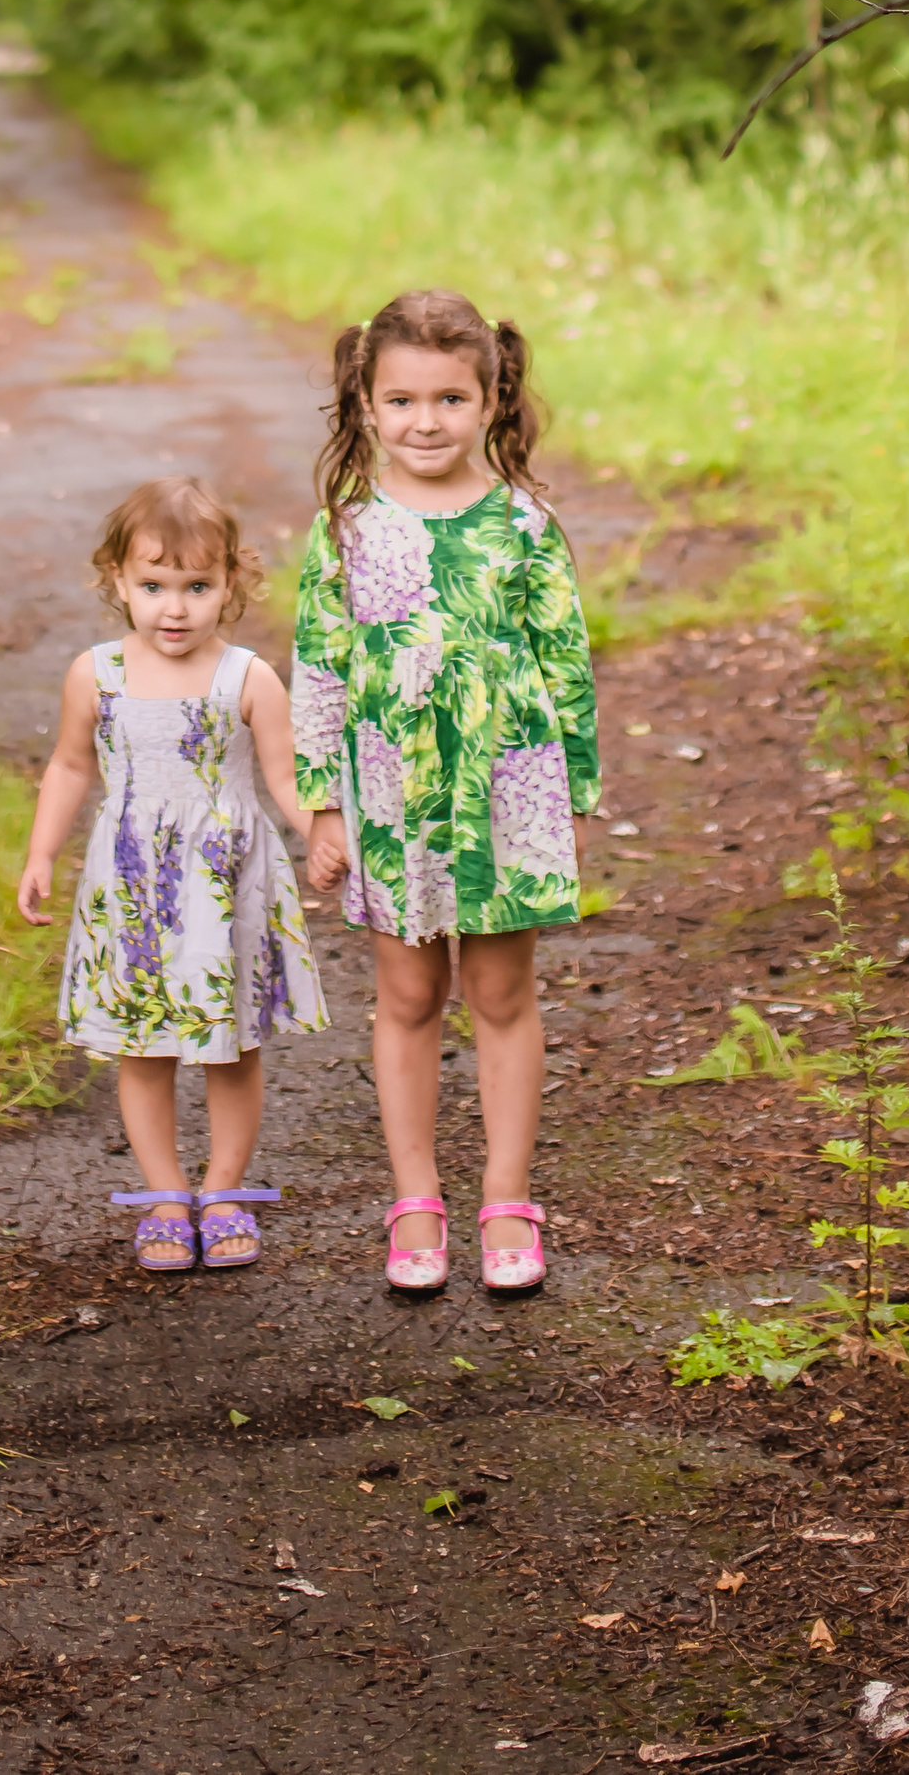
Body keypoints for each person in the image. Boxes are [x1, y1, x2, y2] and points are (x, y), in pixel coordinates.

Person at [291, 288, 598, 1297]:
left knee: (502, 993)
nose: (427, 420)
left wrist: (573, 796)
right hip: (389, 793)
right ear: (366, 405)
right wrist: (322, 803)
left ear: (491, 398)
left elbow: (565, 657)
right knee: (409, 992)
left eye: (451, 397)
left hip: (506, 787)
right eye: (403, 397)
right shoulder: (344, 528)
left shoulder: (523, 523)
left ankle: (506, 1193)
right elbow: (320, 668)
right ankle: (414, 1193)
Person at [16, 475, 326, 1274]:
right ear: (117, 582)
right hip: (133, 889)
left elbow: (285, 777)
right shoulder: (97, 674)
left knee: (230, 1046)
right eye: (153, 586)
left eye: (198, 586)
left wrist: (321, 832)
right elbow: (70, 766)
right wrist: (42, 852)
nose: (175, 608)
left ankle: (223, 1191)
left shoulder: (247, 678)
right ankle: (163, 1195)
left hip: (224, 885)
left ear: (232, 583)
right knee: (143, 1046)